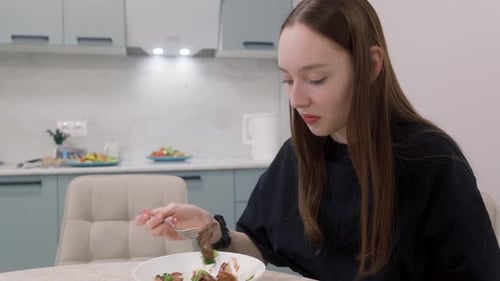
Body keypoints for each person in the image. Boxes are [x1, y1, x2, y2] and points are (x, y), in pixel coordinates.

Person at [136, 0, 500, 280]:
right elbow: (258, 246)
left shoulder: (432, 162)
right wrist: (210, 232)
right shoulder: (299, 153)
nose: (296, 100)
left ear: (371, 66)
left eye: (316, 79)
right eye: (287, 80)